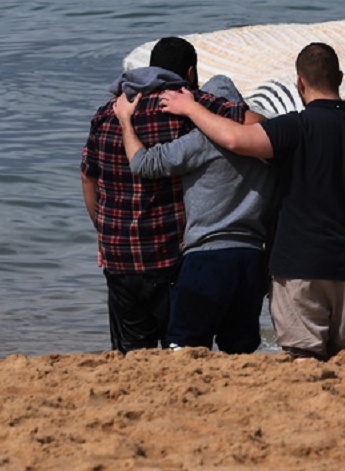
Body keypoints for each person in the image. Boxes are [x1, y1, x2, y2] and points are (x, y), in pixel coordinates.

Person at [159, 42, 345, 360]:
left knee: (301, 358)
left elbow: (235, 138)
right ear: (341, 78)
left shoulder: (293, 128)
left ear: (300, 82)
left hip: (298, 267)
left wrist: (191, 108)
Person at [80, 36, 255, 353]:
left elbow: (88, 177)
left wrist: (102, 230)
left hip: (118, 255)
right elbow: (251, 126)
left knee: (132, 354)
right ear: (190, 73)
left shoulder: (106, 115)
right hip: (169, 254)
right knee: (180, 347)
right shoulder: (188, 107)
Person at [112, 75, 274, 354]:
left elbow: (144, 163)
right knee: (240, 349)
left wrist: (126, 121)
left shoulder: (201, 141)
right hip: (252, 258)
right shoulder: (263, 146)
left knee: (183, 344)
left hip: (207, 256)